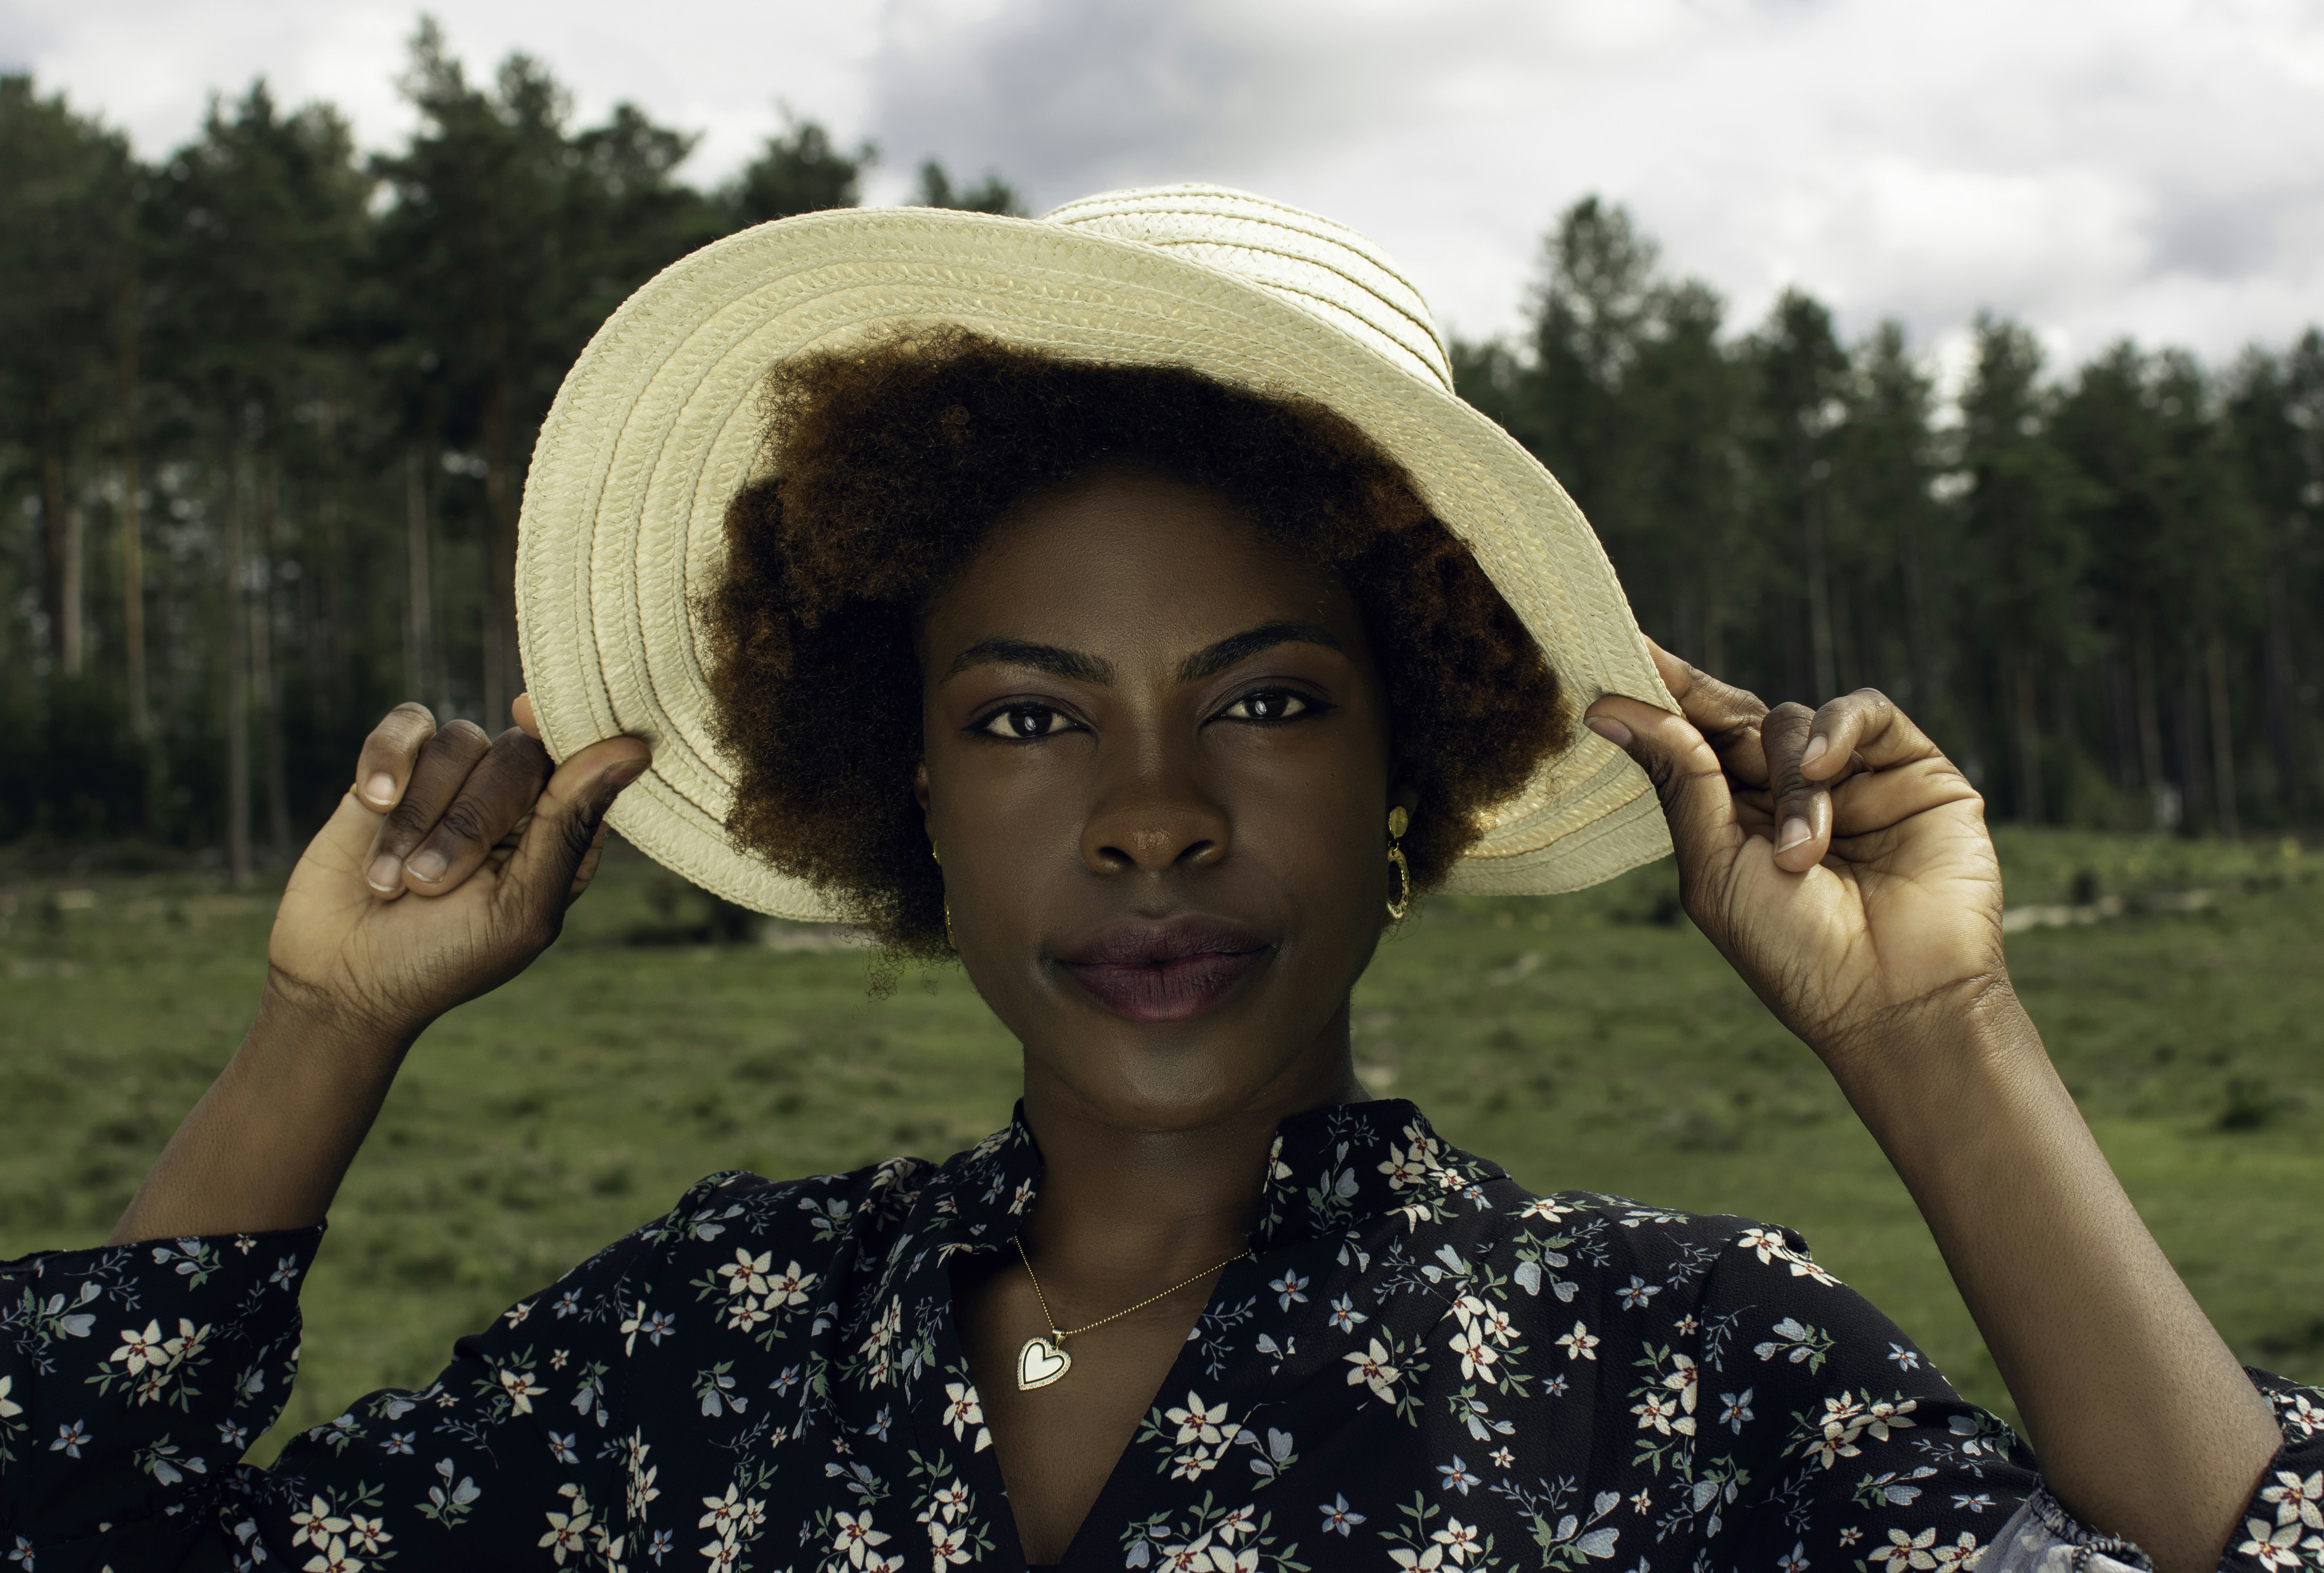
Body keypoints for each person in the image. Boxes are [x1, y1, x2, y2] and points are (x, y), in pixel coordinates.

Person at [2, 187, 2315, 1573]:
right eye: (1027, 719)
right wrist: (324, 1027)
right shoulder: (704, 1344)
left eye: (1269, 700)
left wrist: (1937, 1034)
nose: (1149, 813)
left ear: (1420, 761)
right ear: (904, 789)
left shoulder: (1668, 1372)